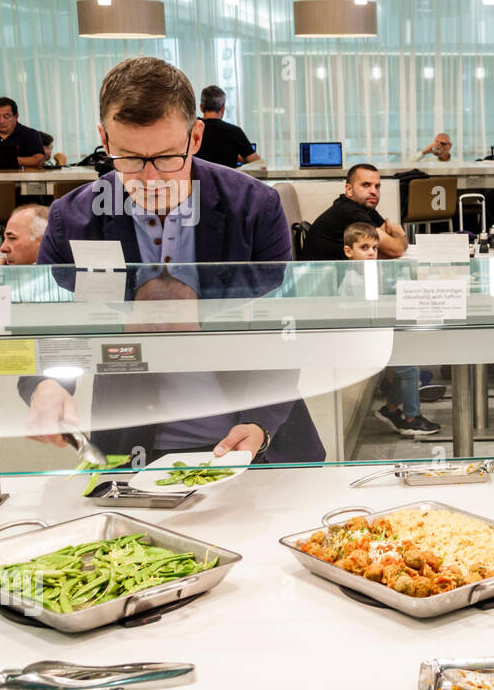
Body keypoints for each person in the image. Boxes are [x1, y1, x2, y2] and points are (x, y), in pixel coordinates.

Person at [23, 56, 323, 464]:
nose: (149, 179)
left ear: (195, 138)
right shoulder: (74, 219)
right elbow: (52, 326)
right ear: (105, 140)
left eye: (166, 158)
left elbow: (282, 327)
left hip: (256, 440)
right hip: (130, 445)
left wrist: (261, 423)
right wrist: (47, 385)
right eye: (128, 158)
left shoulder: (254, 208)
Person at [341, 222, 440, 436]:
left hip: (377, 334)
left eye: (374, 248)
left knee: (407, 366)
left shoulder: (366, 273)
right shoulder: (354, 281)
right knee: (410, 371)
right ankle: (411, 418)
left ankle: (392, 410)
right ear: (348, 251)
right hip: (365, 341)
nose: (371, 253)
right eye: (364, 248)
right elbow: (365, 316)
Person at [301, 163, 407, 261]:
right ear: (349, 189)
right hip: (321, 276)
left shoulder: (365, 208)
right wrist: (399, 234)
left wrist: (393, 242)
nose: (374, 191)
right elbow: (395, 250)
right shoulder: (349, 211)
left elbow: (389, 247)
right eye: (366, 185)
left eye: (377, 186)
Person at [193, 85, 261, 168]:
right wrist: (234, 157)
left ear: (201, 108)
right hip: (226, 180)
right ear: (222, 109)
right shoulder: (234, 131)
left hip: (197, 180)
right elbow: (257, 164)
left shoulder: (191, 129)